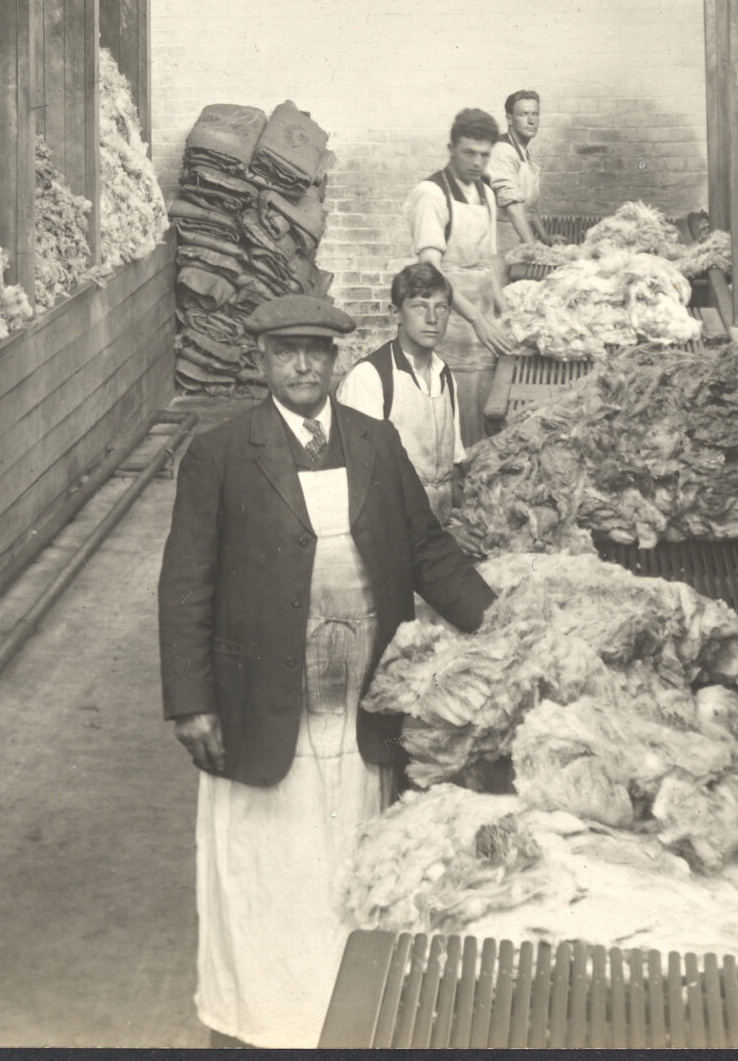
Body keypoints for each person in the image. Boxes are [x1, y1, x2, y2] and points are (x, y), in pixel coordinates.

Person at [157, 295, 495, 1049]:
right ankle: (257, 1026)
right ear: (262, 362)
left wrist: (501, 625)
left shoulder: (375, 443)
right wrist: (191, 702)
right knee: (264, 874)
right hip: (264, 708)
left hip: (358, 710)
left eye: (315, 350)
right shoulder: (220, 455)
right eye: (286, 352)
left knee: (351, 866)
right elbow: (186, 586)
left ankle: (348, 1024)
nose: (303, 365)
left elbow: (429, 553)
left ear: (335, 358)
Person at [403, 108, 519, 449]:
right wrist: (477, 321)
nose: (477, 162)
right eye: (469, 152)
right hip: (449, 326)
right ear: (451, 148)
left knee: (486, 410)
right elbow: (431, 273)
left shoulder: (485, 193)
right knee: (451, 420)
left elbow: (488, 266)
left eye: (485, 155)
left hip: (483, 322)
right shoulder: (431, 195)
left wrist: (506, 312)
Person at [335, 263, 466, 525]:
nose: (432, 319)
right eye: (419, 306)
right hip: (391, 530)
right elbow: (365, 485)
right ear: (396, 313)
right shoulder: (370, 378)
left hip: (441, 527)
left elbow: (454, 467)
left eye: (440, 307)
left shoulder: (445, 376)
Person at [486, 89, 544, 248]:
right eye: (523, 114)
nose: (531, 121)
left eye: (535, 114)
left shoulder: (522, 151)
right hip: (501, 240)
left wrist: (545, 237)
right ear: (509, 119)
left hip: (519, 236)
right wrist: (533, 245)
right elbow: (512, 203)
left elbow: (528, 207)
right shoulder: (503, 150)